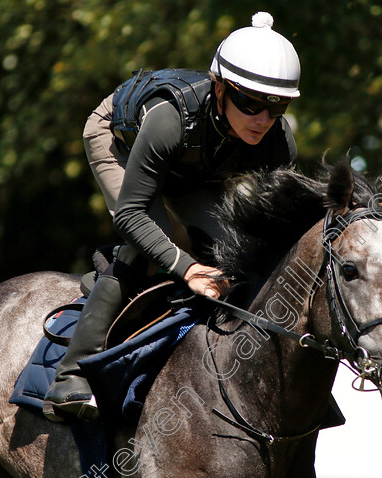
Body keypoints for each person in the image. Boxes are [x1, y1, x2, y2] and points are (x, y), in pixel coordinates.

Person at [43, 11, 301, 422]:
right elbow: (129, 214)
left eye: (277, 106)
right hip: (119, 140)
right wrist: (186, 267)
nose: (263, 119)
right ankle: (71, 375)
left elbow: (277, 230)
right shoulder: (168, 118)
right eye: (250, 103)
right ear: (219, 89)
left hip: (190, 164)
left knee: (233, 252)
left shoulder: (276, 139)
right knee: (155, 247)